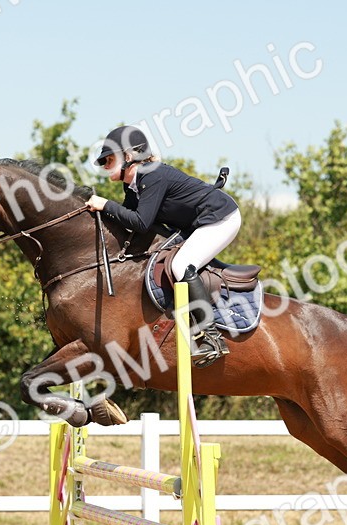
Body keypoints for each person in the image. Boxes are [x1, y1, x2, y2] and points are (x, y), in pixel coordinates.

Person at [85, 125, 241, 368]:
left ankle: (211, 336)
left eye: (109, 159)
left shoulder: (152, 175)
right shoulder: (133, 183)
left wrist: (106, 205)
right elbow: (129, 222)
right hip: (196, 224)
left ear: (128, 157)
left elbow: (141, 222)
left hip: (221, 218)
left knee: (181, 265)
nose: (105, 166)